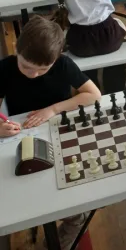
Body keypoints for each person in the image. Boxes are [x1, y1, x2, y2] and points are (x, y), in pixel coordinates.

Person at [0, 16, 101, 248]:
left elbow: (94, 95)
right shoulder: (5, 68)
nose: (33, 74)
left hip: (59, 134)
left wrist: (53, 109)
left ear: (55, 59)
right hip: (21, 139)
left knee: (77, 212)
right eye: (26, 67)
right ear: (16, 49)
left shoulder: (63, 65)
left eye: (42, 70)